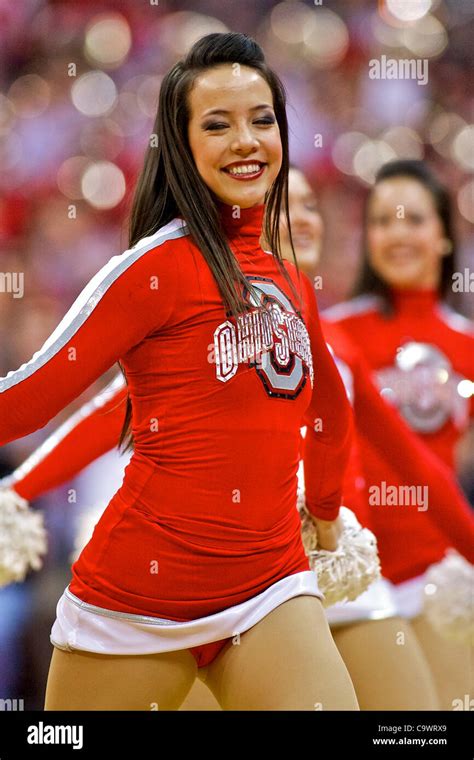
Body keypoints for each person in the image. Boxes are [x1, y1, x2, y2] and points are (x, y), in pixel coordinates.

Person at [0, 33, 358, 711]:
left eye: (262, 119)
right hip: (135, 608)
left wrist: (329, 522)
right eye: (217, 125)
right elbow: (29, 401)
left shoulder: (289, 275)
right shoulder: (152, 270)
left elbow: (330, 416)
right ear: (181, 147)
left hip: (271, 589)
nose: (247, 141)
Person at [323, 159, 474, 709]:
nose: (398, 234)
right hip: (354, 587)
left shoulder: (468, 343)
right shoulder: (336, 332)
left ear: (443, 236)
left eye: (414, 220)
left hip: (439, 583)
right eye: (383, 221)